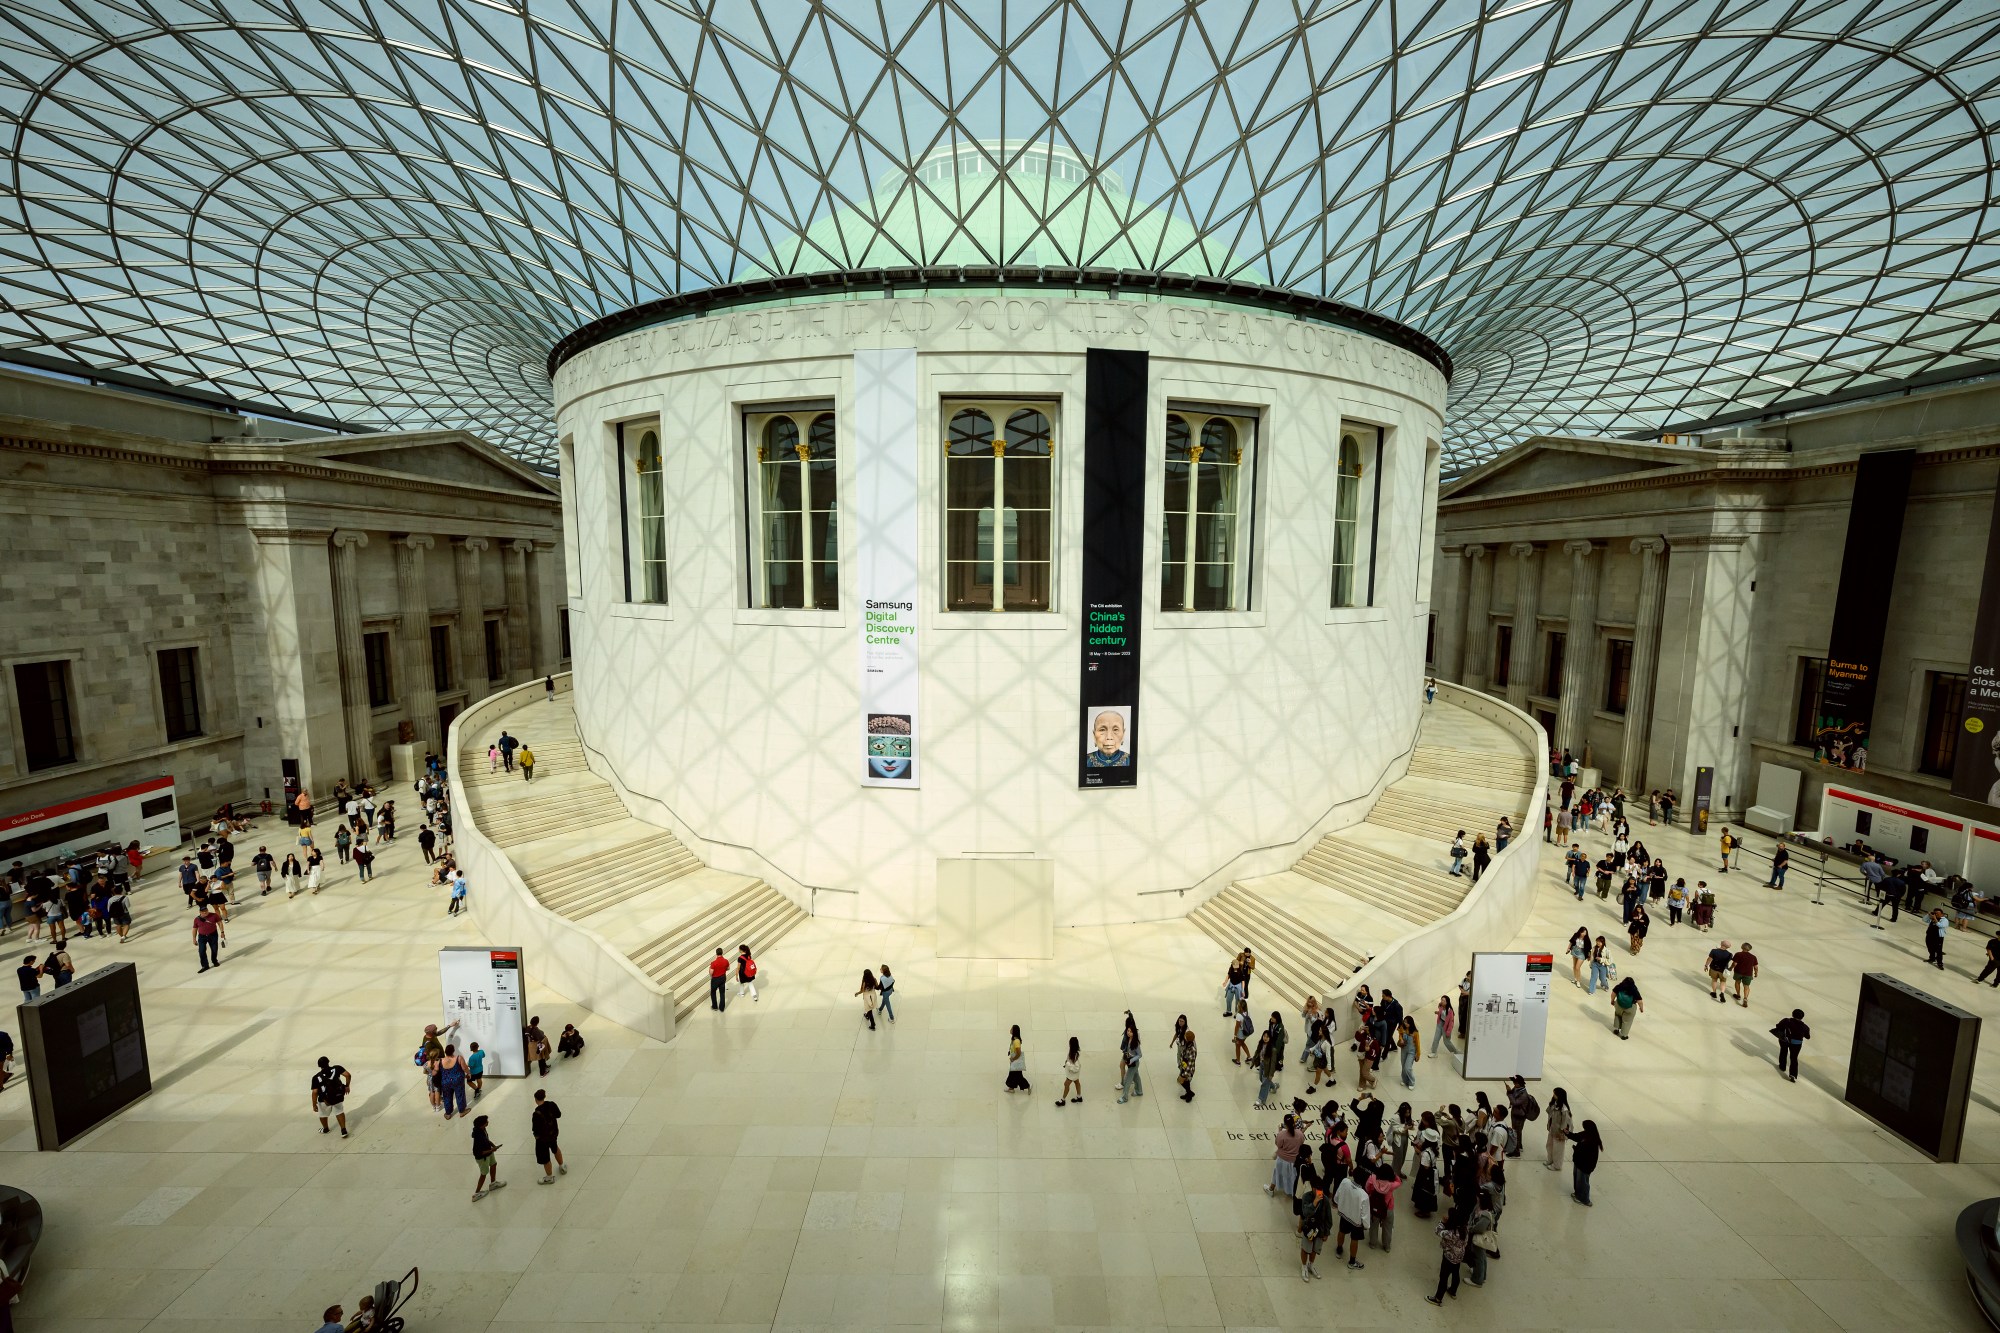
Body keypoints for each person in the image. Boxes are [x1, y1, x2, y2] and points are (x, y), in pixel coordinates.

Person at [1333, 1162, 1370, 1270]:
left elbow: (1337, 1197)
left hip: (1344, 1214)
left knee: (1342, 1231)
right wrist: (1366, 1226)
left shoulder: (1345, 1181)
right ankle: (1352, 1261)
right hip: (1356, 1221)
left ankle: (1339, 1250)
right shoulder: (1364, 1195)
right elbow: (1365, 1214)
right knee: (1354, 1239)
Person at [1298, 1171, 1331, 1280]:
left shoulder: (1325, 1200)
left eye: (1320, 1188)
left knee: (1315, 1249)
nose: (1319, 1191)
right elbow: (1305, 1212)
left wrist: (1326, 1232)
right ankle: (1304, 1266)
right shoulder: (1306, 1197)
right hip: (1309, 1228)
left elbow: (1328, 1217)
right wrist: (1314, 1203)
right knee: (1305, 1248)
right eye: (1317, 1188)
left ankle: (1311, 1265)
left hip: (1319, 1230)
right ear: (1312, 1188)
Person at [1427, 1215, 1468, 1305]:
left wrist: (1442, 1222)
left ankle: (1438, 1298)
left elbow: (1438, 1231)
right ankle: (1453, 1290)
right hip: (1459, 1256)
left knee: (1443, 1277)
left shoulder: (1451, 1233)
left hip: (1449, 1257)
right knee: (1456, 1273)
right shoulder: (1464, 1230)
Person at [311, 1056, 351, 1137]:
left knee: (322, 1114)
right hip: (337, 1096)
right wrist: (347, 1086)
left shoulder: (316, 1077)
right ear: (328, 1062)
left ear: (319, 1065)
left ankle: (325, 1129)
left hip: (324, 1100)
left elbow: (315, 1092)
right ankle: (343, 1130)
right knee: (339, 1112)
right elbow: (348, 1075)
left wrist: (314, 1104)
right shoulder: (337, 1068)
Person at [532, 1088, 566, 1182]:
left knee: (545, 1157)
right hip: (553, 1134)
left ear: (535, 1099)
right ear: (544, 1097)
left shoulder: (536, 1114)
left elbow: (535, 1130)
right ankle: (562, 1166)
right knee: (555, 1148)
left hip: (543, 1139)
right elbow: (558, 1115)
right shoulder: (551, 1104)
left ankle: (549, 1177)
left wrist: (537, 1138)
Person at [470, 1114, 505, 1201]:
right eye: (486, 1122)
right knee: (483, 1174)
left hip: (489, 1152)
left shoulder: (483, 1129)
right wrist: (492, 1150)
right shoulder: (478, 1137)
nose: (488, 1122)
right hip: (483, 1158)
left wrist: (493, 1146)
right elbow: (479, 1152)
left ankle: (493, 1183)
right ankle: (476, 1194)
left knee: (494, 1164)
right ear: (482, 1124)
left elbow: (487, 1139)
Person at [1772, 1008, 1812, 1081]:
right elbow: (1808, 1037)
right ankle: (1793, 1074)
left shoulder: (1787, 1021)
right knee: (1794, 1058)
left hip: (1785, 1040)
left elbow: (1778, 1026)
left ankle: (1782, 1066)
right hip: (1797, 1043)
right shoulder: (1805, 1027)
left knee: (1783, 1051)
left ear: (1793, 1014)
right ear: (1802, 1017)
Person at [1571, 1119, 1603, 1205]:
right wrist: (1567, 1133)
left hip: (1585, 1166)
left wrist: (1576, 1149)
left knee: (1583, 1182)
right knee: (1577, 1180)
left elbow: (1590, 1156)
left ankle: (1585, 1199)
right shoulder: (1585, 1134)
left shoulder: (1592, 1141)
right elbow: (1576, 1137)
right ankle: (1578, 1194)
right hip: (1578, 1162)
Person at [436, 1044, 469, 1120]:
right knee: (460, 1095)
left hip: (445, 1081)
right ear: (453, 1051)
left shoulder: (440, 1061)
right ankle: (462, 1111)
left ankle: (448, 1113)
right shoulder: (459, 1058)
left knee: (447, 1096)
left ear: (445, 1052)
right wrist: (469, 1073)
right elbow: (464, 1068)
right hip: (458, 1080)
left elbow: (435, 1071)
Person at [1542, 1087, 1572, 1170]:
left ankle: (1557, 1165)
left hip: (1560, 1132)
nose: (1553, 1095)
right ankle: (1550, 1160)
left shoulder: (1564, 1109)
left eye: (1554, 1094)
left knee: (1558, 1149)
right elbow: (1549, 1112)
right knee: (1549, 1145)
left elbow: (1566, 1122)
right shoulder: (1555, 1104)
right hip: (1552, 1129)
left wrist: (1562, 1133)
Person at [192, 904, 224, 971]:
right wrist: (194, 939)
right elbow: (194, 929)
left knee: (214, 949)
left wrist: (222, 932)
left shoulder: (214, 915)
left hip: (213, 935)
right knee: (201, 951)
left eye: (206, 910)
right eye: (203, 911)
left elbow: (220, 923)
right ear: (200, 912)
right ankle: (205, 966)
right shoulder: (197, 919)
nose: (205, 912)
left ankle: (214, 961)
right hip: (202, 937)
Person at [1120, 1021, 1145, 1103]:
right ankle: (1139, 1091)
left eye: (1130, 1031)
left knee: (1127, 1079)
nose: (1128, 1033)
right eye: (1128, 1031)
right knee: (1136, 1077)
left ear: (1134, 1033)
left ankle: (1124, 1097)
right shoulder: (1129, 1039)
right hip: (1130, 1062)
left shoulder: (1136, 1043)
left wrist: (1131, 1060)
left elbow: (1140, 1055)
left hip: (1134, 1063)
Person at [1731, 941, 1759, 1006]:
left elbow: (1734, 963)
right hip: (1748, 974)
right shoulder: (1753, 957)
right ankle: (1745, 998)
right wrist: (1756, 973)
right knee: (1746, 986)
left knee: (1737, 982)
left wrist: (1730, 968)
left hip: (1738, 972)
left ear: (1742, 947)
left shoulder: (1738, 954)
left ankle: (1738, 995)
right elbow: (1756, 967)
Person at [1004, 1024, 1029, 1093]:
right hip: (1014, 1060)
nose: (1010, 1030)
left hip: (1016, 1061)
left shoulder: (1016, 1041)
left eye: (1011, 1029)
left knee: (1018, 1076)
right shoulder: (1014, 1039)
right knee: (1013, 1075)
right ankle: (1011, 1088)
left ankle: (1028, 1086)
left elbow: (1019, 1053)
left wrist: (1013, 1059)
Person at [1057, 1036, 1082, 1106]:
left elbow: (1076, 1067)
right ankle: (1079, 1097)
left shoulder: (1074, 1054)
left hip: (1072, 1074)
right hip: (1075, 1074)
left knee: (1066, 1084)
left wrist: (1067, 1064)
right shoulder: (1073, 1052)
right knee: (1077, 1082)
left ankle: (1063, 1100)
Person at [1177, 1029, 1198, 1102]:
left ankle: (1190, 1093)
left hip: (1188, 1070)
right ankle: (1189, 1093)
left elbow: (1191, 1063)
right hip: (1184, 1066)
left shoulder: (1192, 1049)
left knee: (1180, 1080)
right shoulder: (1187, 1045)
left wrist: (1185, 1073)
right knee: (1186, 1081)